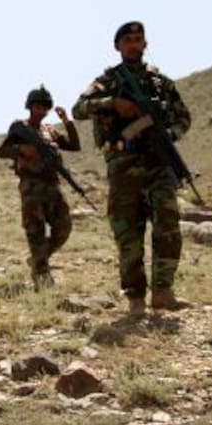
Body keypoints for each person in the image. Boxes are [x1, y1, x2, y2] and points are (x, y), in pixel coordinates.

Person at [72, 21, 192, 316]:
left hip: (159, 163)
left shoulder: (162, 83)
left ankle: (163, 292)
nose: (134, 44)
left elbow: (183, 117)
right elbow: (79, 109)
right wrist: (114, 104)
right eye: (128, 40)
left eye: (138, 39)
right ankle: (135, 297)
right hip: (124, 165)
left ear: (145, 44)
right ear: (118, 46)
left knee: (167, 226)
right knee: (128, 231)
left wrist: (169, 135)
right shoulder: (108, 81)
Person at [0, 86, 81, 290]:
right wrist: (21, 149)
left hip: (52, 185)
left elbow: (74, 145)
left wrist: (67, 121)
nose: (41, 110)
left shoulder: (49, 131)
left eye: (44, 107)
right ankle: (42, 275)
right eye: (37, 106)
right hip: (31, 186)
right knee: (35, 231)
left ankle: (37, 259)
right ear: (30, 107)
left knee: (64, 227)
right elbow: (2, 151)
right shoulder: (20, 128)